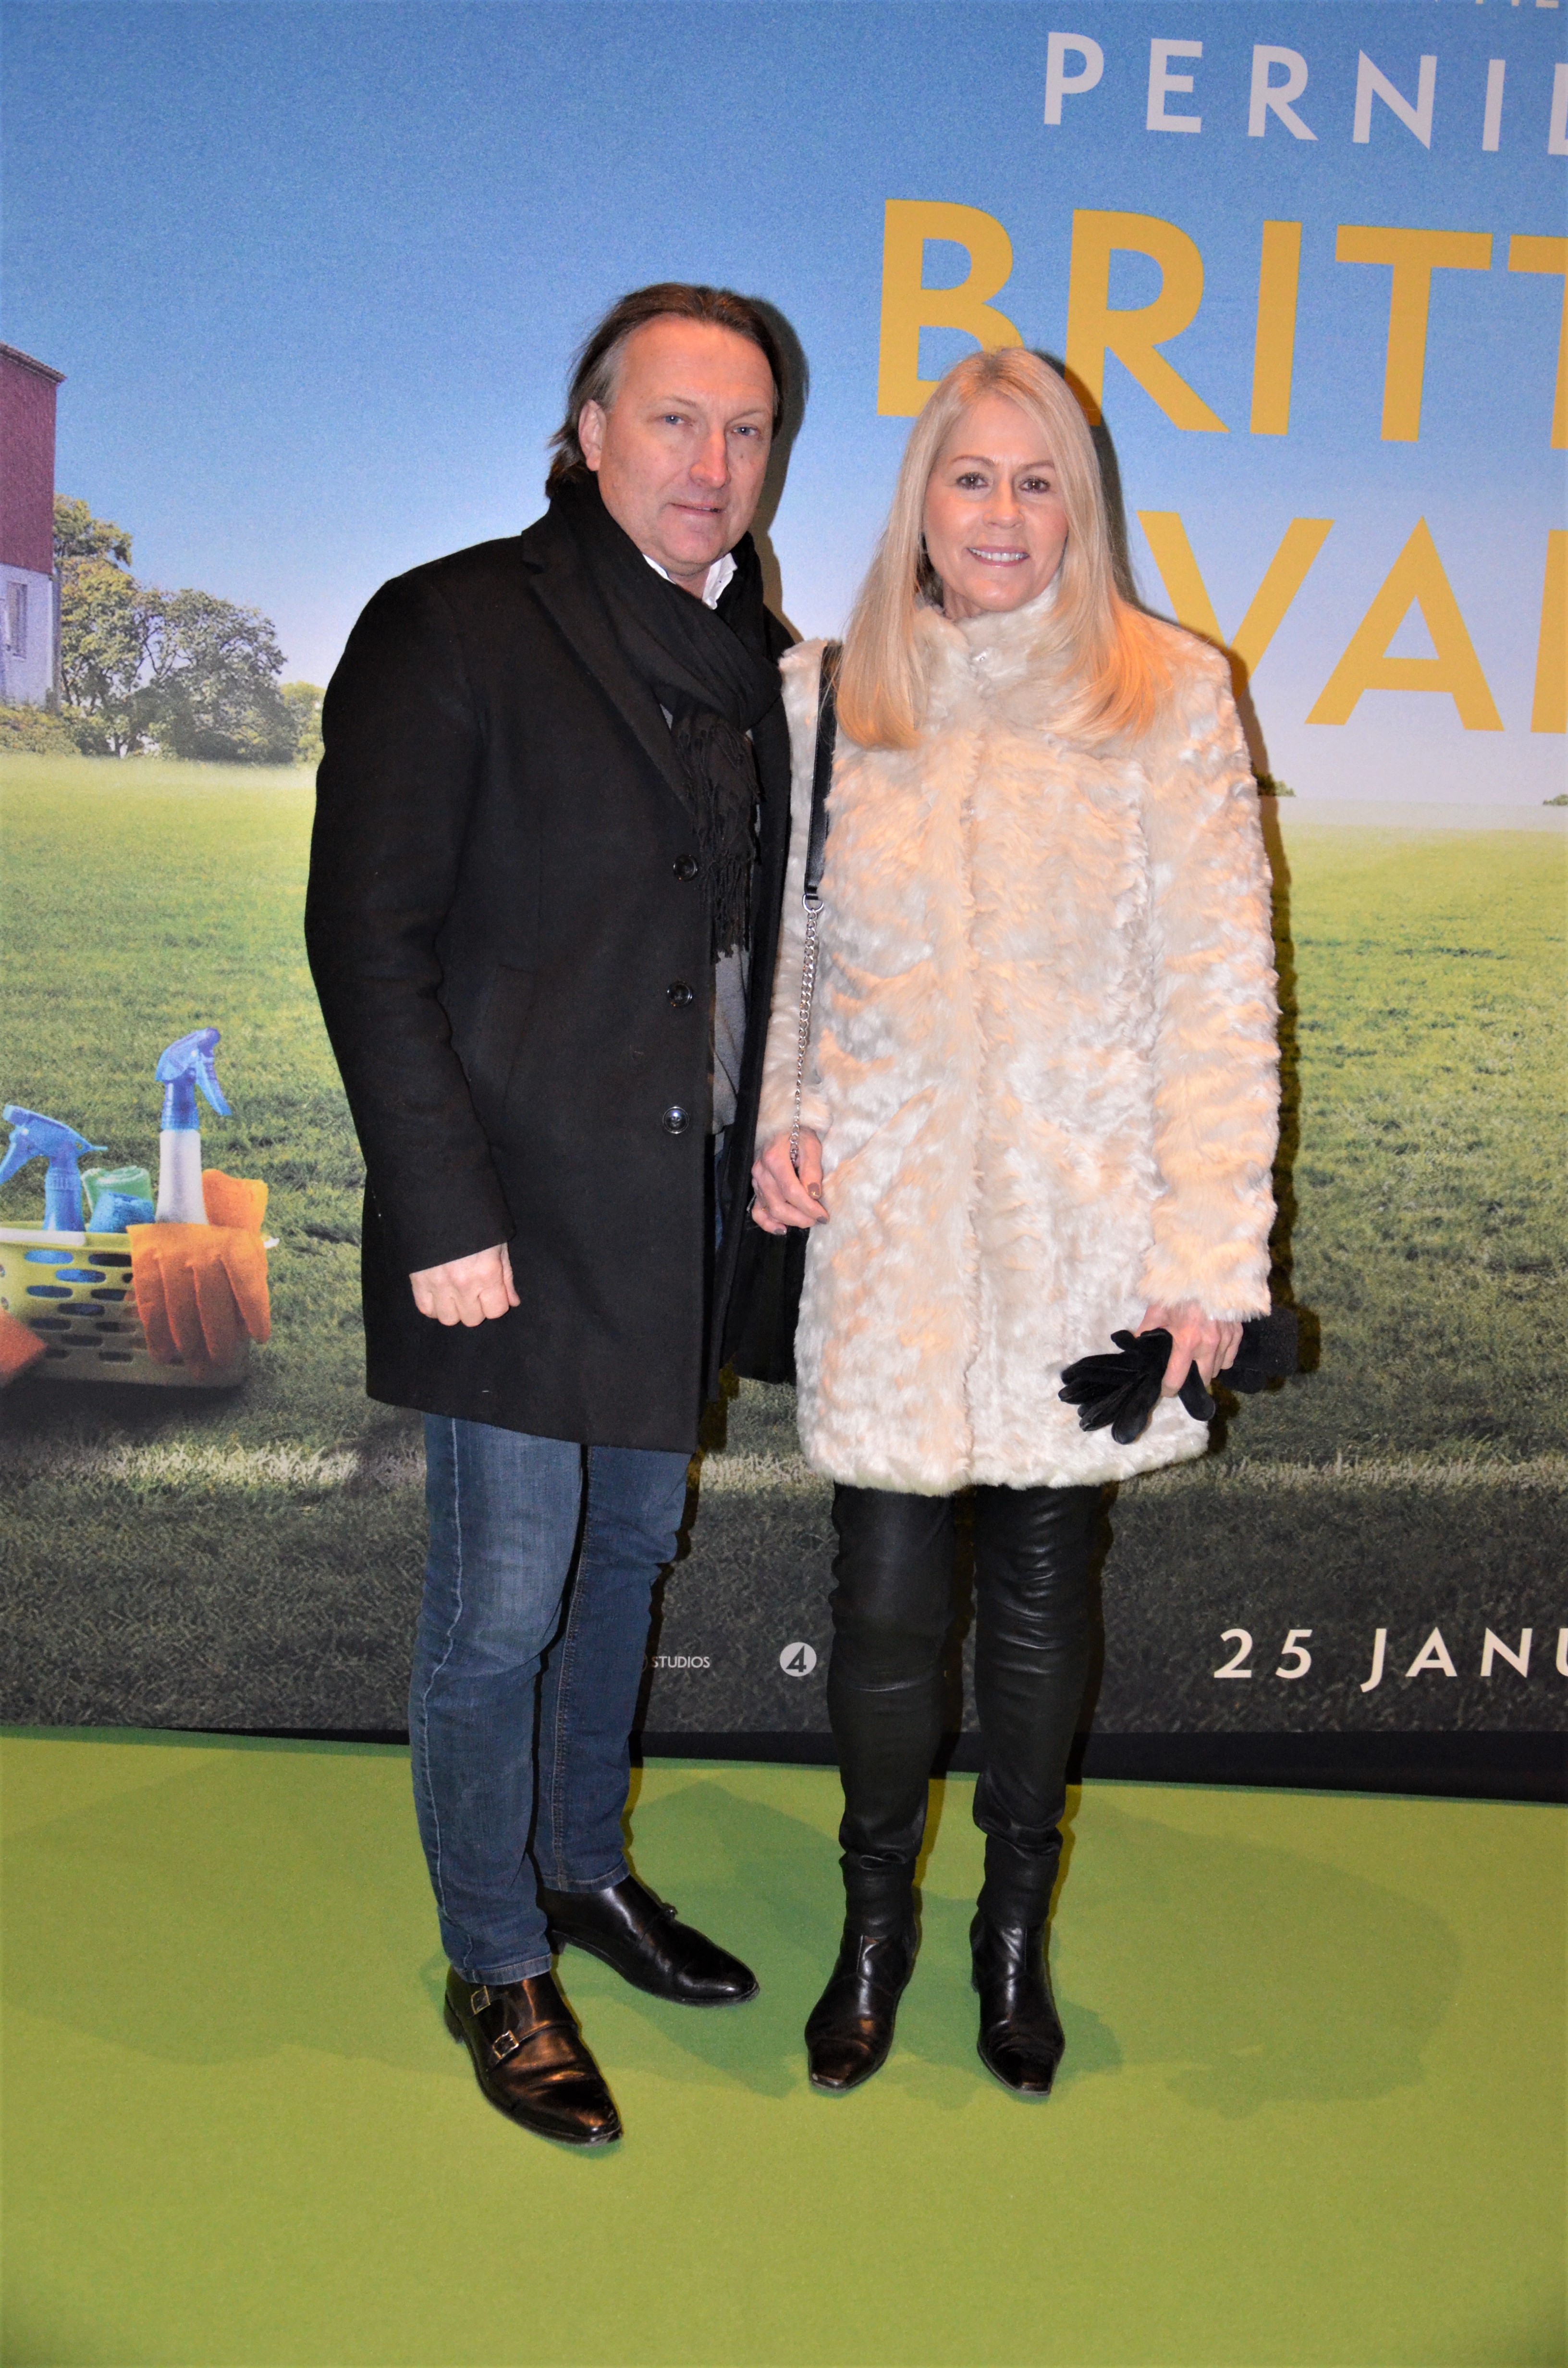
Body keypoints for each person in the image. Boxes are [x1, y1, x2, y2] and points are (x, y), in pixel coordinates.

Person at [751, 348, 1279, 2100]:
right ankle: (876, 1925)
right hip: (891, 1227)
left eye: (1036, 479)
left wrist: (1209, 1257)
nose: (1001, 513)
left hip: (1085, 1231)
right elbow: (796, 948)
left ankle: (1010, 1933)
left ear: (1082, 504)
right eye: (970, 477)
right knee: (886, 1603)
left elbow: (1219, 992)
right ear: (922, 498)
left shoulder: (1169, 691)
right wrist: (789, 1115)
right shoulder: (835, 692)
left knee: (1048, 1596)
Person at [306, 284, 796, 2147]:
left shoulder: (752, 653)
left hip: (675, 1213)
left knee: (628, 1560)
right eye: (675, 420)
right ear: (590, 433)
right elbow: (368, 936)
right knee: (501, 1603)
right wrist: (443, 1207)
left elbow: (739, 944)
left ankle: (583, 1865)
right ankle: (496, 1959)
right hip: (505, 1221)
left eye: (746, 429)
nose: (712, 462)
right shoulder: (452, 622)